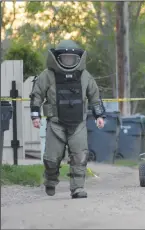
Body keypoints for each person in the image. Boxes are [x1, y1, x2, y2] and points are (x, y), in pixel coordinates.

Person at [30, 40, 106, 199]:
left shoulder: (85, 76)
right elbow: (36, 95)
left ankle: (77, 188)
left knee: (80, 156)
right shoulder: (48, 75)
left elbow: (95, 97)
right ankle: (50, 179)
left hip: (78, 124)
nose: (68, 61)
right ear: (58, 58)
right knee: (51, 159)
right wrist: (35, 116)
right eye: (65, 58)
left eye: (71, 58)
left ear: (77, 59)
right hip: (55, 123)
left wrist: (99, 116)